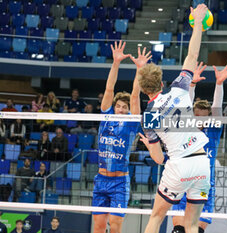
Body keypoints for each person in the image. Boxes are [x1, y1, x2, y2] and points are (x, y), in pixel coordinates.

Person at [137, 5, 210, 233]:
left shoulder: (148, 116)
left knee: (156, 218)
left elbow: (158, 159)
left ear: (143, 90)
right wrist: (197, 21)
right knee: (191, 225)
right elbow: (192, 55)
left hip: (179, 165)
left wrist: (149, 145)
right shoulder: (179, 87)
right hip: (201, 162)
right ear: (161, 83)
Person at [171, 61, 227, 233]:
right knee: (178, 230)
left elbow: (217, 109)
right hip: (183, 183)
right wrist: (192, 84)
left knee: (196, 230)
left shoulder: (213, 131)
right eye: (196, 116)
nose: (199, 119)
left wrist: (219, 83)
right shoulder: (186, 128)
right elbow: (186, 105)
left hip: (204, 185)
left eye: (203, 117)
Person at [92, 41, 147, 233]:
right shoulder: (106, 116)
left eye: (124, 107)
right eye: (119, 106)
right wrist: (116, 63)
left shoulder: (131, 123)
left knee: (115, 227)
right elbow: (109, 89)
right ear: (114, 107)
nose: (122, 109)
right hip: (101, 179)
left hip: (119, 182)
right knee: (98, 227)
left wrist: (139, 69)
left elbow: (134, 96)